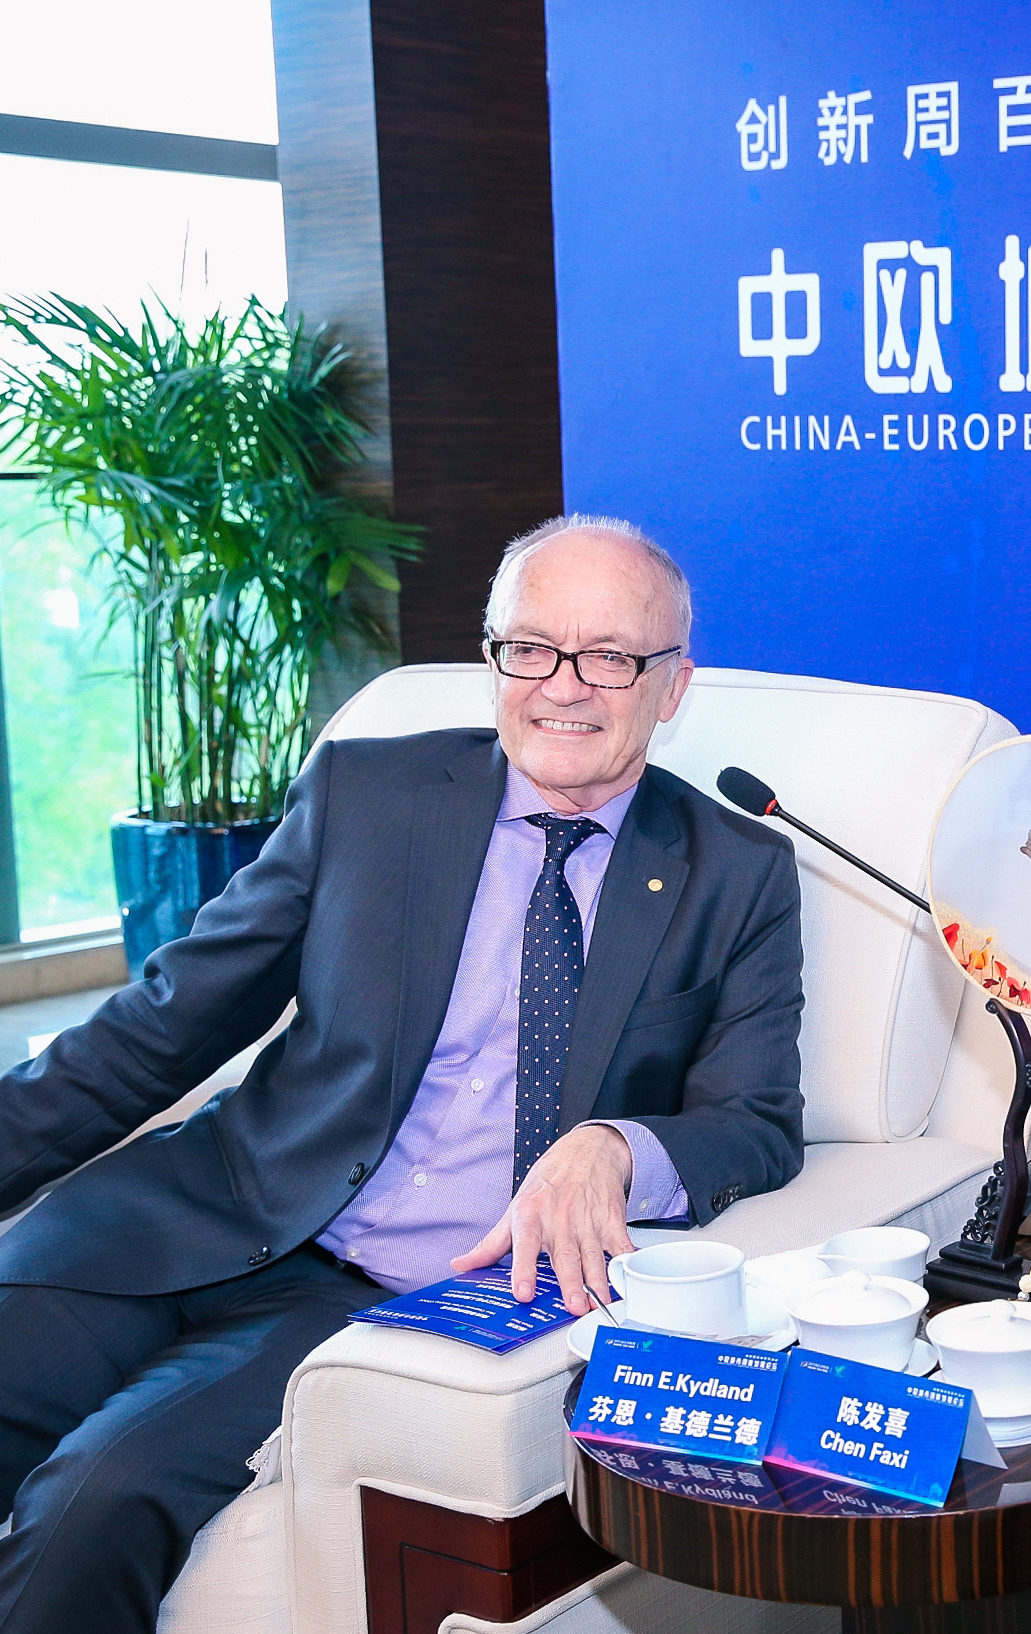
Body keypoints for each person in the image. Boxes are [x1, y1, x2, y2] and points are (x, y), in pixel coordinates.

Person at [0, 516, 806, 1632]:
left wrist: (619, 1148)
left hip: (382, 1292)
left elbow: (757, 1118)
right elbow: (167, 1022)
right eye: (532, 647)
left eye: (611, 656)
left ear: (673, 684)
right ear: (492, 657)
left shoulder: (736, 870)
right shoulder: (366, 794)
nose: (563, 685)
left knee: (94, 1498)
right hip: (210, 1200)